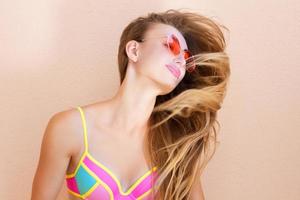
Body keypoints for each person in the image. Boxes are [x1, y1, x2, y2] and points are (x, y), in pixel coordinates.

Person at [31, 9, 230, 200]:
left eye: (186, 58)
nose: (180, 60)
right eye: (172, 46)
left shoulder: (176, 142)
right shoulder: (69, 127)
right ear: (134, 50)